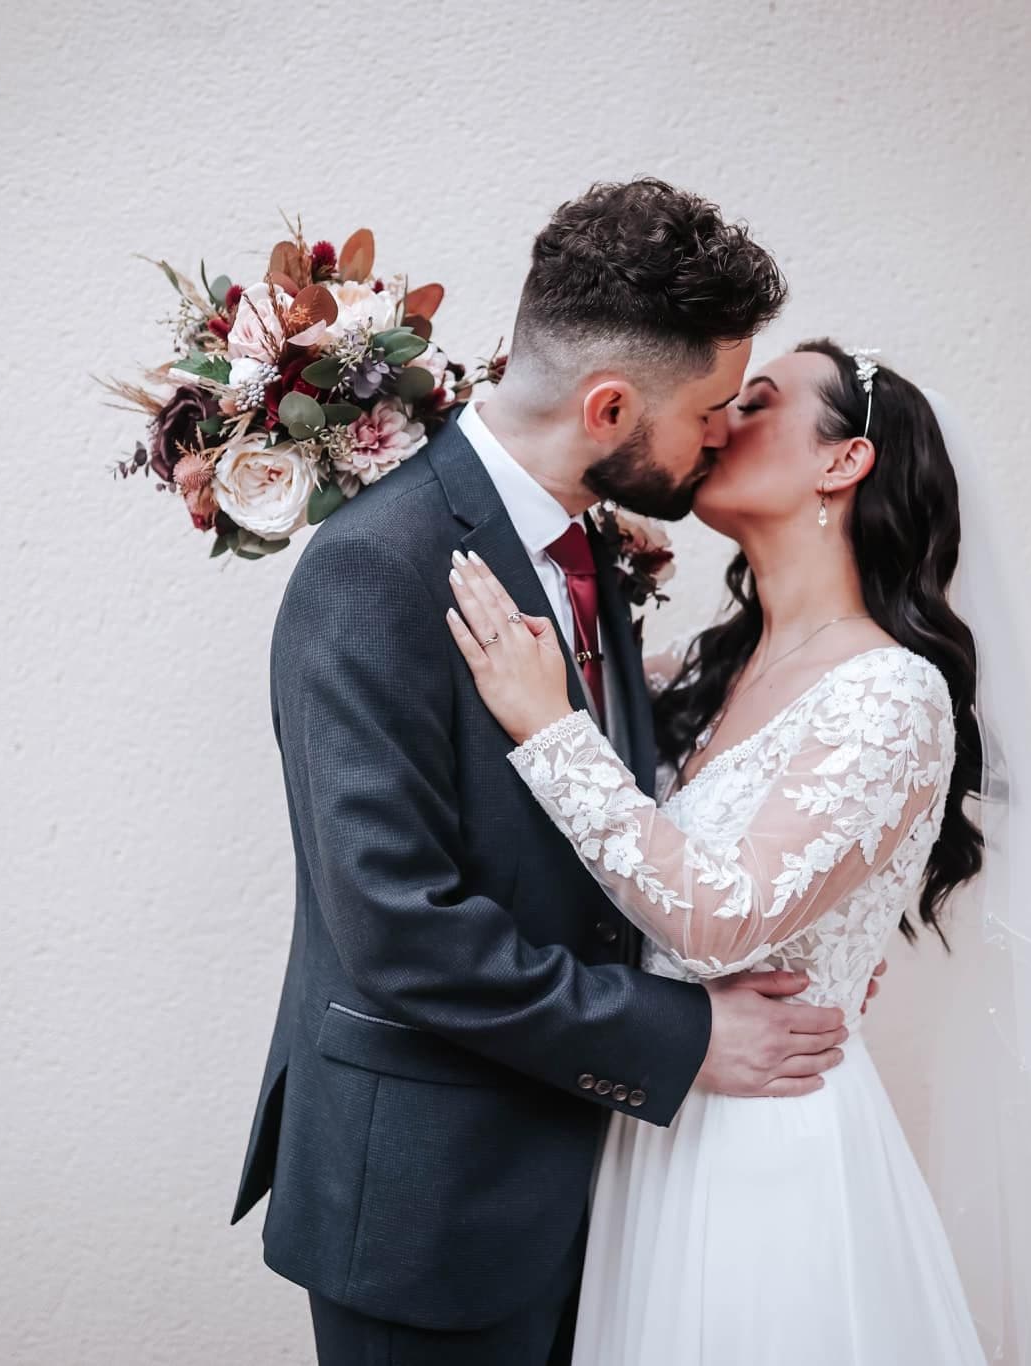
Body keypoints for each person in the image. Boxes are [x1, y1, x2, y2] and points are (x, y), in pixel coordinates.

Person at [231, 179, 862, 1365]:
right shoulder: (373, 569)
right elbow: (400, 927)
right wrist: (681, 1033)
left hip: (599, 1192)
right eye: (709, 409)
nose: (720, 434)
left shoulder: (585, 546)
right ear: (608, 405)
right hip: (430, 1204)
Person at [443, 339, 1031, 1363]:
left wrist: (547, 724)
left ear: (842, 460)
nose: (717, 419)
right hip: (650, 1125)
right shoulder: (696, 670)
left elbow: (720, 919)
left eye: (757, 402)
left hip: (764, 1152)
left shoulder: (891, 694)